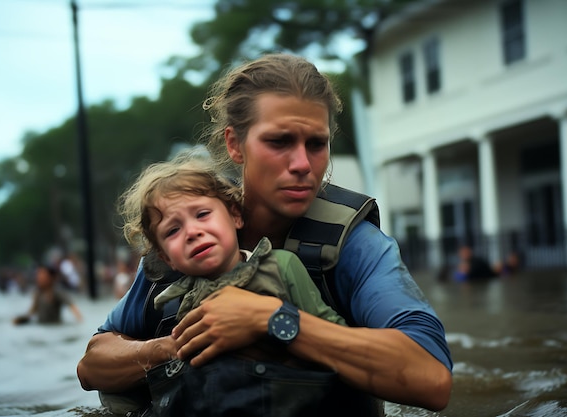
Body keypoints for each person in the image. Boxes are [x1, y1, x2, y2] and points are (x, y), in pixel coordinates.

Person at [77, 53, 453, 414]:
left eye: (317, 144)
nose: (303, 164)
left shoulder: (354, 245)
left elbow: (432, 378)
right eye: (280, 142)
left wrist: (273, 320)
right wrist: (173, 346)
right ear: (234, 145)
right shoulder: (183, 241)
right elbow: (92, 365)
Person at [111, 153, 348, 415]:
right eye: (173, 231)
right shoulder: (177, 304)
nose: (192, 232)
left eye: (202, 214)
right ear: (167, 258)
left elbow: (334, 336)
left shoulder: (281, 267)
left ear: (235, 216)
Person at [13, 265, 83, 325]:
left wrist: (80, 321)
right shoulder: (38, 293)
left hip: (54, 327)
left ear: (51, 278)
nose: (39, 278)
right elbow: (31, 313)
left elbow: (73, 307)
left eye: (42, 275)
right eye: (38, 275)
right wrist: (20, 320)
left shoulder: (57, 292)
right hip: (41, 326)